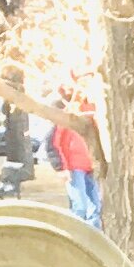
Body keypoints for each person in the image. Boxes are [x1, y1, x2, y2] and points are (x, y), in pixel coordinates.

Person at [50, 97, 102, 228]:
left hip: (90, 165)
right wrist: (61, 167)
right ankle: (75, 235)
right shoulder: (70, 114)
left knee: (96, 207)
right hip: (74, 167)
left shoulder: (92, 111)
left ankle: (94, 239)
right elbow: (54, 143)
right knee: (80, 207)